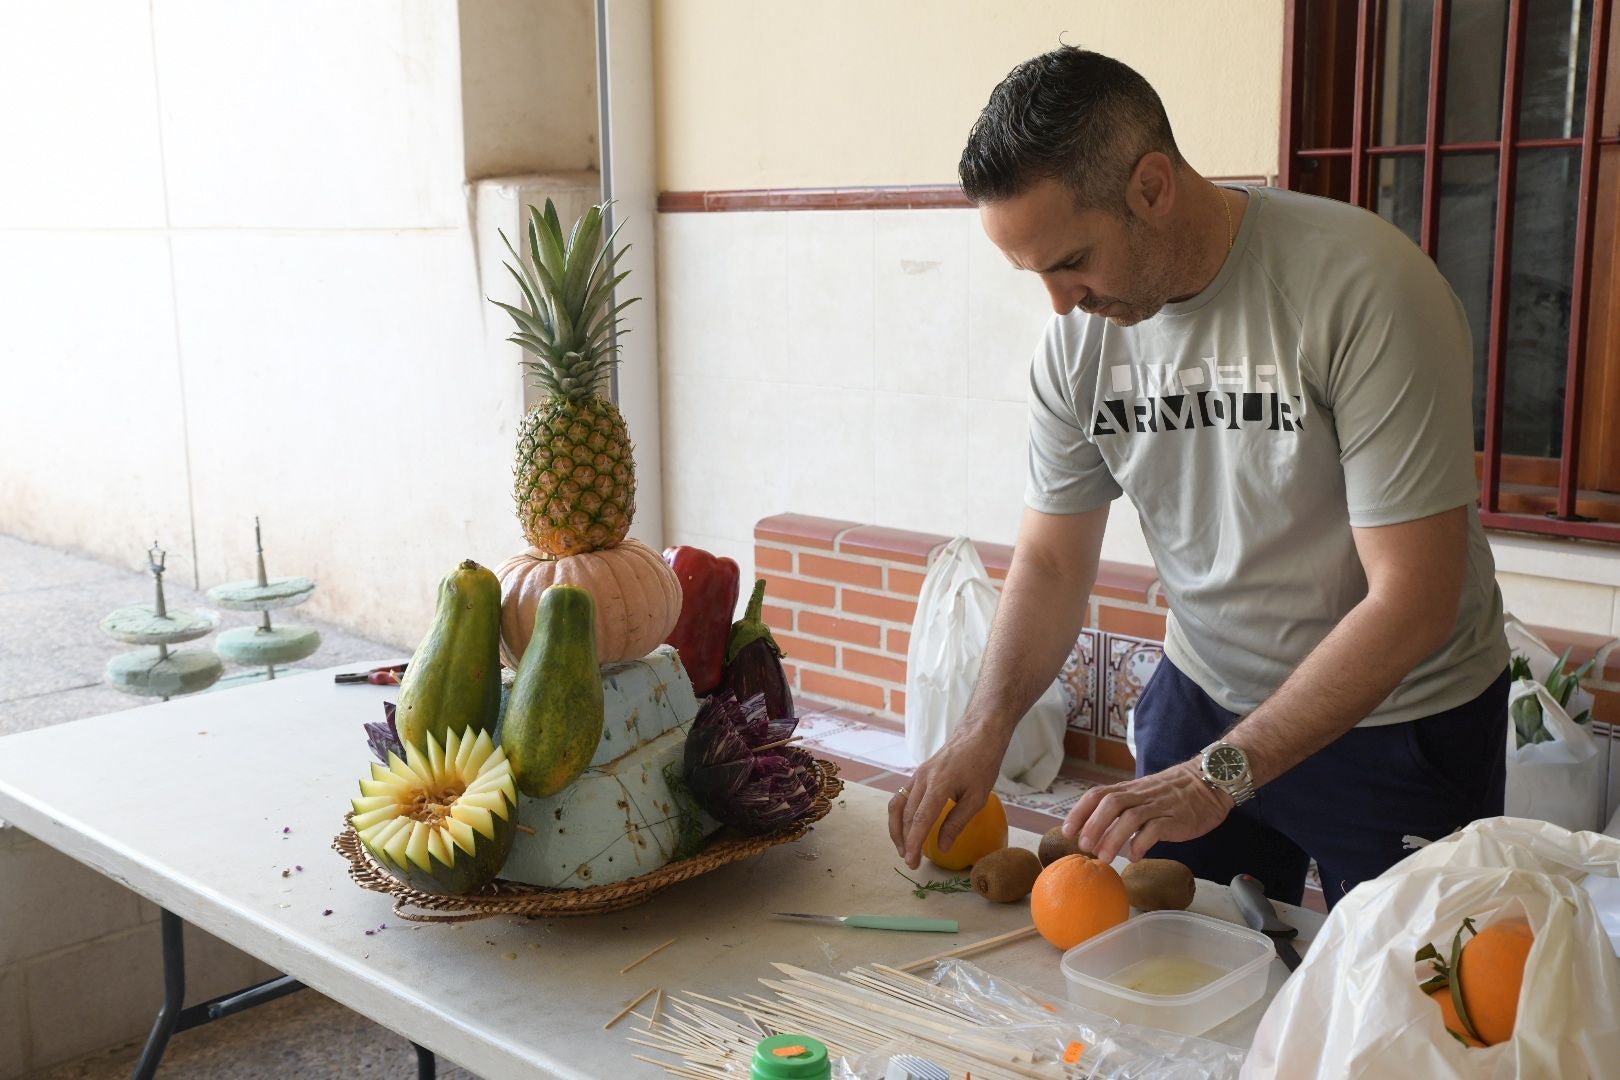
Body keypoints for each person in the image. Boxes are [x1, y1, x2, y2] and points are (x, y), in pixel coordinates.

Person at [887, 46, 1510, 910]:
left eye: (1071, 261)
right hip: (1203, 700)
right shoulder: (1076, 343)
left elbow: (1414, 599)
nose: (1060, 304)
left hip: (1400, 721)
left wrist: (1217, 777)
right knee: (1183, 984)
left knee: (1416, 1004)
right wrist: (983, 728)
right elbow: (1054, 563)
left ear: (1151, 187)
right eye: (1035, 275)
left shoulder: (1362, 288)